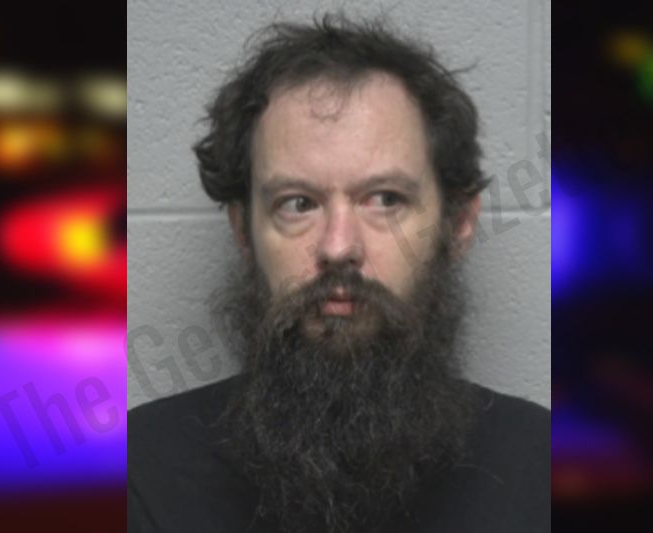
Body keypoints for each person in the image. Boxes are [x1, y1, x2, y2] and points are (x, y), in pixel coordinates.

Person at [129, 14, 549, 533]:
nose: (338, 247)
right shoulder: (140, 474)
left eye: (385, 199)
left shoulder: (543, 470)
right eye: (298, 203)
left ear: (458, 224)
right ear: (244, 231)